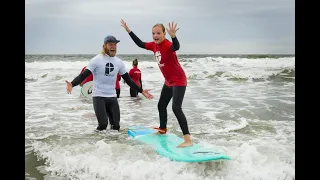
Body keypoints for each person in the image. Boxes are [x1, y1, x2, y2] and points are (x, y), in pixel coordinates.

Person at [120, 19, 192, 148]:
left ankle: (187, 139)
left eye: (158, 33)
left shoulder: (168, 44)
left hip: (179, 80)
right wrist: (129, 31)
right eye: (153, 33)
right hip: (169, 82)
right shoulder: (154, 46)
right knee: (161, 105)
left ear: (164, 34)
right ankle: (162, 130)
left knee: (176, 108)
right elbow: (140, 43)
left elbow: (176, 47)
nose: (155, 36)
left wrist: (174, 37)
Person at [65, 35, 153, 132]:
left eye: (115, 44)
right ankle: (96, 143)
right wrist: (72, 84)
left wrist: (141, 90)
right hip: (99, 97)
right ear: (105, 46)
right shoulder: (96, 60)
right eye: (111, 44)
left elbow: (128, 79)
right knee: (103, 125)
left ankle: (112, 145)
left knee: (116, 126)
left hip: (112, 97)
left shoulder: (119, 62)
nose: (113, 47)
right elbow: (84, 75)